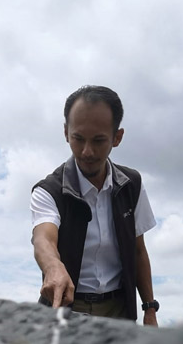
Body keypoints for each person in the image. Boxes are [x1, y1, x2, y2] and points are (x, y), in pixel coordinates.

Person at [30, 85, 159, 326]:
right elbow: (43, 239)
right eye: (78, 139)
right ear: (66, 133)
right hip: (67, 310)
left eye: (99, 140)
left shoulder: (132, 185)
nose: (87, 151)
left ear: (117, 137)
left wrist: (149, 309)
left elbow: (139, 250)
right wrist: (53, 267)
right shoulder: (49, 191)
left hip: (120, 311)